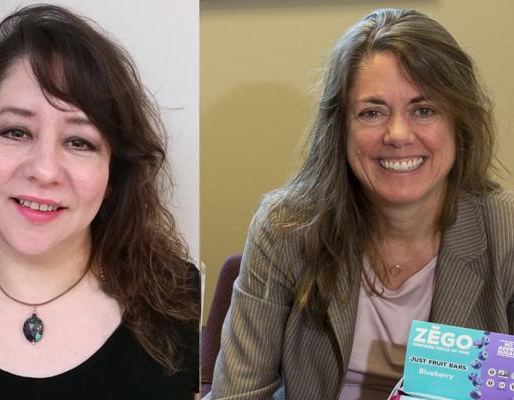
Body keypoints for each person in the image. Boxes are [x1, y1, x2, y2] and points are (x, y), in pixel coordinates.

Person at [208, 8, 514, 400]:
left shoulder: (505, 231)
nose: (398, 134)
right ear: (341, 128)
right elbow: (239, 393)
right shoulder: (285, 227)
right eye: (372, 112)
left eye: (424, 110)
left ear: (459, 122)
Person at [0, 4, 199, 399]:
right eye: (16, 132)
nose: (45, 171)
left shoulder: (181, 301)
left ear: (114, 174)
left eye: (79, 141)